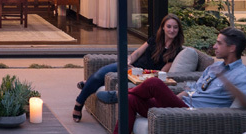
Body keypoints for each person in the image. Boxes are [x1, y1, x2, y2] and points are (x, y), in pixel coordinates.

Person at [90, 28, 246, 134]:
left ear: (232, 47)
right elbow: (195, 88)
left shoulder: (241, 75)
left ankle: (118, 95)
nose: (214, 46)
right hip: (181, 105)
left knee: (154, 83)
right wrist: (175, 98)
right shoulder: (215, 66)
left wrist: (227, 82)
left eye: (219, 43)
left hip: (195, 114)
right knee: (131, 101)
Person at [71, 14, 199, 123]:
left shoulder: (176, 49)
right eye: (169, 26)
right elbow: (138, 52)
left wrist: (142, 73)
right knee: (100, 74)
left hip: (143, 75)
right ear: (163, 28)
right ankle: (82, 98)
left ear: (179, 30)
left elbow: (162, 72)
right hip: (133, 66)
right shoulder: (155, 39)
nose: (172, 30)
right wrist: (129, 61)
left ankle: (79, 101)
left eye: (175, 27)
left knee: (97, 79)